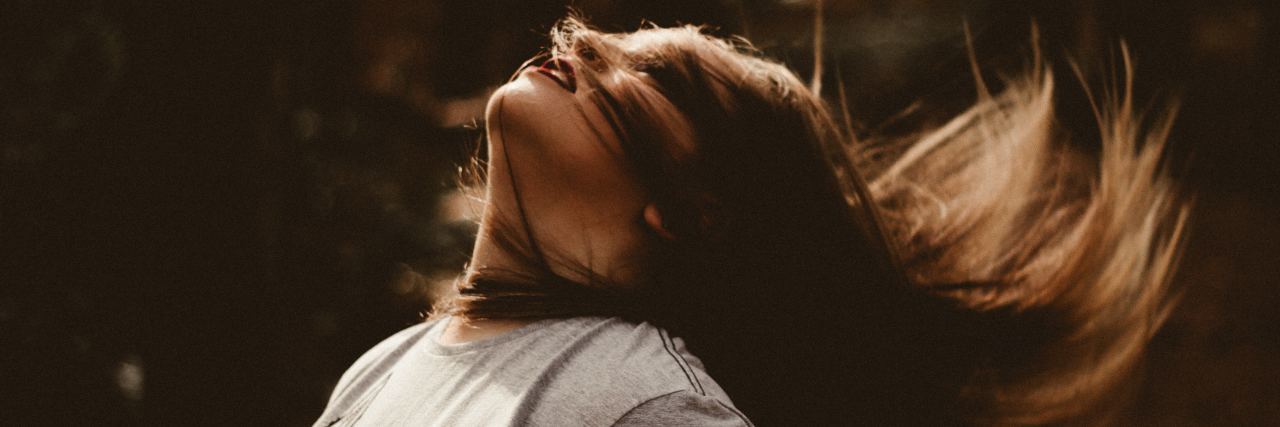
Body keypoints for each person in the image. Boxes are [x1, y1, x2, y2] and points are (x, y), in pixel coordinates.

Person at [314, 15, 1187, 426]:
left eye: (652, 76)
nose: (579, 38)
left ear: (695, 214)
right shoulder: (376, 371)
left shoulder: (648, 405)